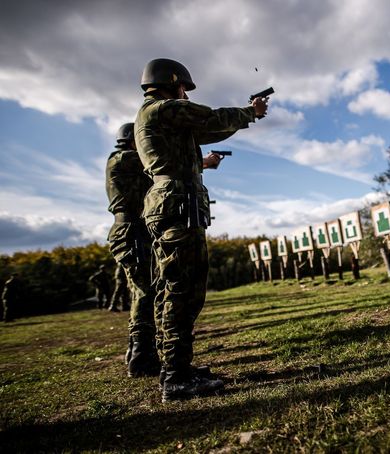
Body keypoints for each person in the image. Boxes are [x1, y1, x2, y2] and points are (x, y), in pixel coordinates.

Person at [135, 58, 268, 402]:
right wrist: (249, 112)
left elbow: (202, 134)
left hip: (174, 203)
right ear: (172, 83)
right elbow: (210, 120)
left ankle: (176, 368)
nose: (186, 95)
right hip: (177, 204)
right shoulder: (165, 109)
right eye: (184, 88)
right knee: (183, 290)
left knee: (174, 288)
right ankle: (177, 378)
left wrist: (207, 159)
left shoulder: (158, 116)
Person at [106, 122, 160, 377]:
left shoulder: (125, 160)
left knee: (143, 291)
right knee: (145, 292)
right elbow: (156, 162)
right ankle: (141, 357)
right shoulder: (123, 159)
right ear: (131, 141)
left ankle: (136, 351)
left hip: (133, 230)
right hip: (132, 231)